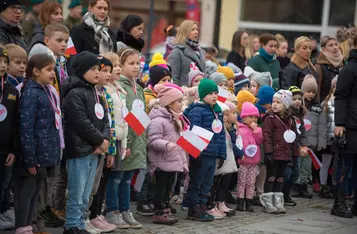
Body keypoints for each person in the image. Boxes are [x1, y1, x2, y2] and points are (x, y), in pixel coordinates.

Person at [62, 51, 110, 233]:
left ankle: (81, 222)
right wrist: (100, 140)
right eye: (93, 69)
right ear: (81, 70)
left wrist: (104, 139)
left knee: (86, 192)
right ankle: (72, 224)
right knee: (76, 190)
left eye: (99, 68)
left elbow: (105, 119)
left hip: (95, 150)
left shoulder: (96, 93)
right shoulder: (74, 94)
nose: (97, 72)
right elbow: (81, 122)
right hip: (80, 150)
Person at [15, 54, 61, 234]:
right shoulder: (31, 93)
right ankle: (22, 226)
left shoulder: (44, 90)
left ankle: (28, 225)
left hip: (44, 154)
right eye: (49, 69)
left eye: (54, 69)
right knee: (26, 192)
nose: (53, 73)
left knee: (35, 192)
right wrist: (30, 159)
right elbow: (26, 128)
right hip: (33, 156)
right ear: (35, 71)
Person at [183, 78, 226, 221]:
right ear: (202, 95)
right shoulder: (197, 111)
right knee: (197, 181)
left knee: (207, 183)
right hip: (201, 154)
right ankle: (193, 208)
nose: (214, 96)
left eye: (216, 93)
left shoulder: (217, 111)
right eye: (210, 93)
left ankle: (202, 206)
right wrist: (195, 155)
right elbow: (193, 132)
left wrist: (222, 154)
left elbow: (221, 135)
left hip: (213, 154)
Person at [148, 84, 188, 225]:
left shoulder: (175, 120)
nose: (181, 104)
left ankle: (166, 208)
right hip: (162, 162)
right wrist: (166, 145)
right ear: (170, 103)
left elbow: (180, 143)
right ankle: (158, 211)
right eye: (179, 102)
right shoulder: (158, 120)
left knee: (168, 189)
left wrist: (183, 161)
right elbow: (152, 140)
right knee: (161, 188)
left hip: (172, 162)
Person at [116, 48, 147, 228]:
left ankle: (125, 210)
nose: (136, 67)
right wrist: (125, 143)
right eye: (131, 63)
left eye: (138, 63)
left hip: (137, 141)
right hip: (125, 141)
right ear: (121, 66)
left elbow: (141, 116)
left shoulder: (139, 88)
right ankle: (116, 210)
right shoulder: (121, 87)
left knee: (128, 178)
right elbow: (123, 116)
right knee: (119, 179)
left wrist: (144, 140)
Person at [85, 56, 116, 233]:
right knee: (88, 185)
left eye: (107, 71)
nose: (106, 74)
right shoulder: (90, 93)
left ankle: (94, 214)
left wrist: (110, 148)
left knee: (99, 184)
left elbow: (108, 122)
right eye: (104, 70)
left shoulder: (106, 94)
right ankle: (88, 216)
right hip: (93, 146)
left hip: (106, 145)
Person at [102, 52, 131, 229]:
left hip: (120, 140)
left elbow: (124, 120)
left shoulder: (119, 90)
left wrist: (125, 145)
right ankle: (110, 210)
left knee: (118, 177)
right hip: (109, 140)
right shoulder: (105, 91)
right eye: (115, 65)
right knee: (111, 178)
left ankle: (115, 210)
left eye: (120, 64)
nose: (119, 68)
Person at [262, 90, 299, 214]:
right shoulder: (270, 118)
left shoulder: (291, 120)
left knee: (280, 178)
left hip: (285, 153)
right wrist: (268, 152)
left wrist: (295, 154)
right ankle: (268, 201)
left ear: (286, 104)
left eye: (278, 102)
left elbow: (294, 139)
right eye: (273, 102)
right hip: (273, 154)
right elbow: (266, 135)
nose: (274, 104)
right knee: (271, 177)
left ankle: (277, 201)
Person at [333, 34, 357, 219]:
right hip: (350, 125)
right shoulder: (349, 69)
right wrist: (340, 123)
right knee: (344, 165)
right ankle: (339, 203)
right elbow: (340, 96)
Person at [293, 75, 326, 198]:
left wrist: (321, 142)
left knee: (307, 166)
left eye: (313, 92)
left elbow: (322, 126)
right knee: (298, 164)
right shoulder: (298, 107)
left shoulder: (318, 108)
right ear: (302, 91)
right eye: (308, 91)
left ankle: (304, 186)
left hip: (311, 144)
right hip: (299, 143)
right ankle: (295, 185)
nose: (311, 94)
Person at [212, 101, 242, 216]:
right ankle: (215, 203)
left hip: (228, 159)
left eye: (226, 114)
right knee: (217, 182)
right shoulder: (220, 128)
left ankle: (221, 202)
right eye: (232, 113)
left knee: (225, 182)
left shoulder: (229, 128)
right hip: (222, 160)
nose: (225, 117)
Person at [0, 47, 18, 231]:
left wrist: (14, 149)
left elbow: (14, 122)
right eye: (0, 61)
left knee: (4, 183)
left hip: (5, 148)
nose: (3, 65)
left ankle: (2, 210)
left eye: (5, 62)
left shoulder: (11, 89)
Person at [29, 23, 70, 96]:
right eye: (59, 40)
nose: (64, 44)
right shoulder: (43, 61)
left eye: (66, 41)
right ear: (46, 41)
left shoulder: (67, 60)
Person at [236, 102, 263, 213]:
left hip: (253, 162)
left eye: (256, 117)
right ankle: (240, 201)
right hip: (243, 161)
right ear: (244, 117)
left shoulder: (258, 130)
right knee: (242, 182)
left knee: (251, 183)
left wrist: (256, 130)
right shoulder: (240, 130)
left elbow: (260, 140)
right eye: (251, 117)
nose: (254, 120)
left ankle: (249, 201)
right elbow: (238, 144)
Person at [283, 86, 308, 206]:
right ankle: (281, 194)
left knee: (295, 173)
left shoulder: (300, 116)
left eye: (299, 98)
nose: (297, 101)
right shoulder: (286, 115)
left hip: (296, 150)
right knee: (286, 173)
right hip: (287, 149)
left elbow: (302, 133)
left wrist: (303, 145)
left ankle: (287, 194)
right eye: (294, 99)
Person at [168, 20, 206, 86]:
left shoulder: (201, 51)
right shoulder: (177, 52)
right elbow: (174, 78)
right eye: (192, 30)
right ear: (185, 32)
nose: (196, 32)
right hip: (185, 93)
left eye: (197, 29)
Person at [320, 77, 337, 199]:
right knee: (325, 163)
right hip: (328, 139)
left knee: (337, 164)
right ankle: (323, 185)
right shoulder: (326, 103)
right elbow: (322, 123)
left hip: (339, 138)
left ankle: (335, 185)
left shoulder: (345, 102)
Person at [315, 35, 344, 102]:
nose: (335, 47)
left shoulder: (344, 64)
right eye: (331, 45)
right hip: (325, 106)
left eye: (336, 44)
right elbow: (316, 91)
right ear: (323, 49)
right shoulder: (319, 66)